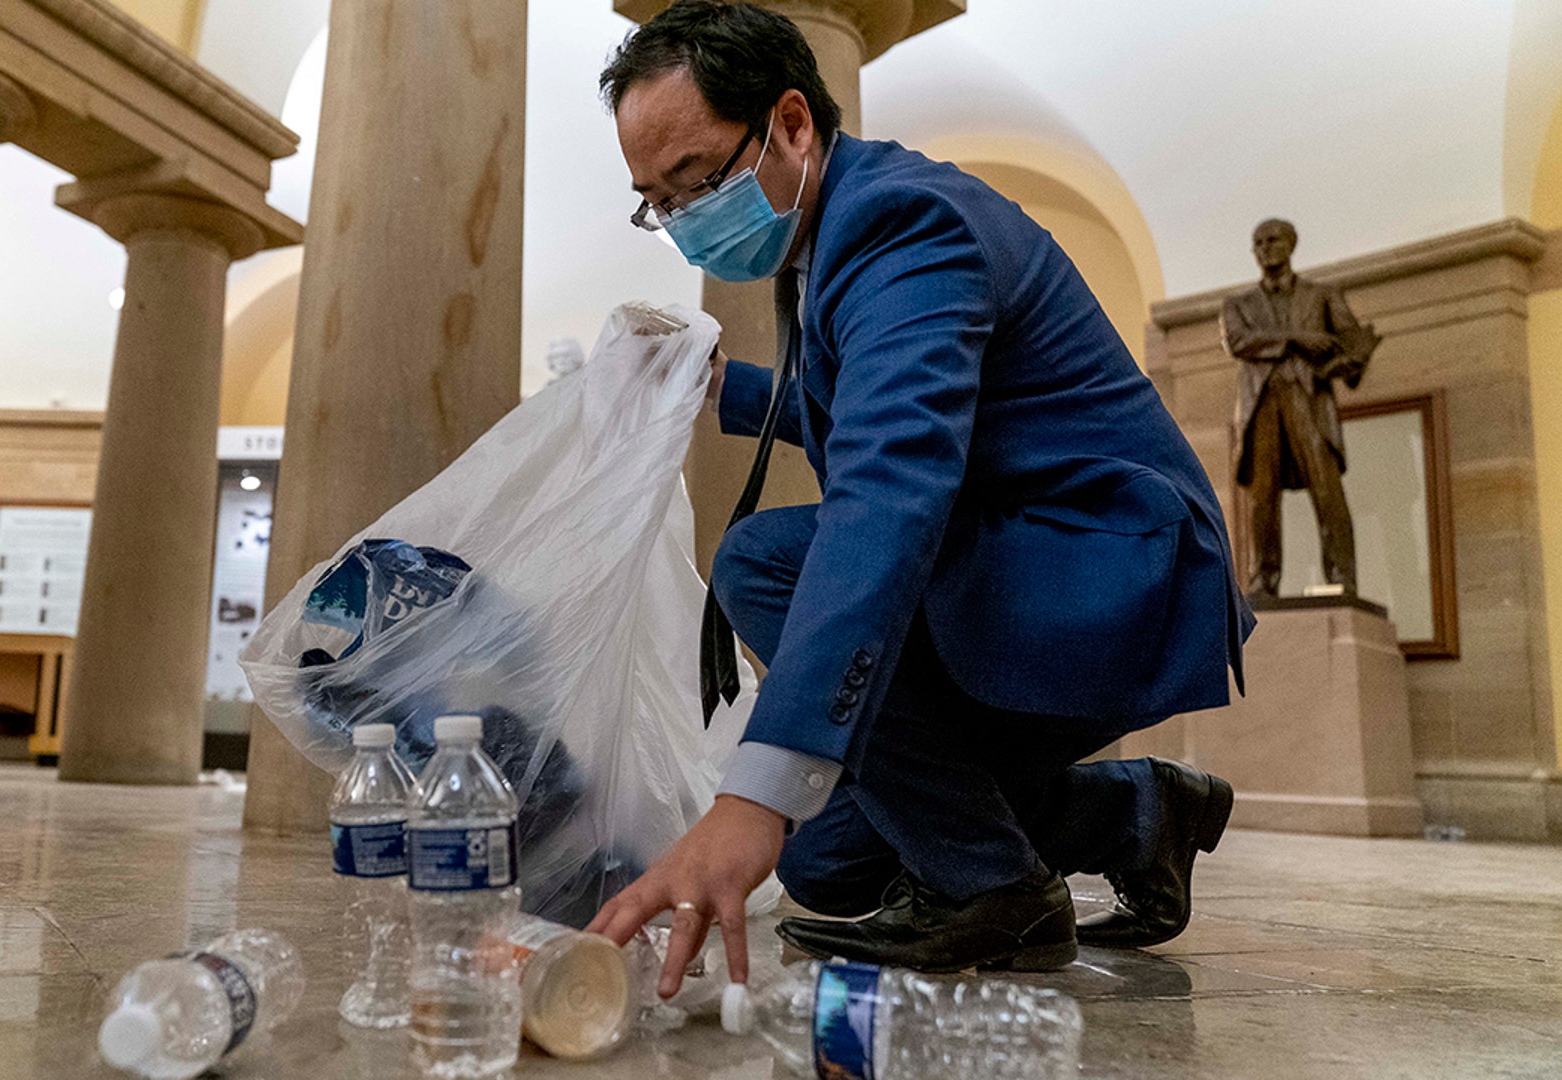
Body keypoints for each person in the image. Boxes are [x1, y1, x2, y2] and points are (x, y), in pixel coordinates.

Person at [582, 1, 1254, 996]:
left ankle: (1002, 892)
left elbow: (890, 490)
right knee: (829, 862)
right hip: (1029, 564)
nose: (683, 222)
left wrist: (752, 792)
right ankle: (1135, 817)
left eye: (698, 181)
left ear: (794, 124)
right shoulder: (827, 232)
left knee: (763, 561)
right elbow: (893, 420)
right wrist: (730, 390)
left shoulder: (901, 225)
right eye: (656, 201)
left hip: (1105, 571)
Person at [1223, 218, 1376, 599]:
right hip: (1262, 405)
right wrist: (1298, 338)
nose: (1265, 248)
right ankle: (1263, 580)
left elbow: (1348, 342)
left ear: (1291, 244)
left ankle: (1343, 578)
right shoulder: (1237, 305)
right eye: (1258, 242)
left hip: (1308, 399)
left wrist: (1352, 357)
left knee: (1327, 490)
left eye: (1273, 240)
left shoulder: (1323, 295)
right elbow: (1239, 341)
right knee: (1262, 498)